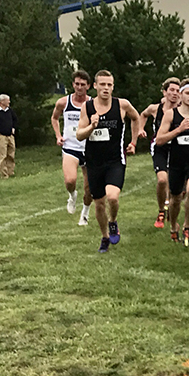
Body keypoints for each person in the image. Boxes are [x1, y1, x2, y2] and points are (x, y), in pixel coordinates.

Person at [75, 70, 142, 253]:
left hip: (115, 160)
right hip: (94, 162)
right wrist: (91, 126)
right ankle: (105, 236)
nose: (106, 88)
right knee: (99, 203)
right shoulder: (87, 107)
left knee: (112, 197)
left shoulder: (122, 105)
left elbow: (136, 118)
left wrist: (133, 141)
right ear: (95, 86)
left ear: (113, 87)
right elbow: (79, 135)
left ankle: (113, 222)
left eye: (109, 85)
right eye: (102, 84)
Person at [155, 79, 189, 246]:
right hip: (176, 162)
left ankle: (187, 226)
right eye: (188, 93)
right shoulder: (171, 114)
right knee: (176, 198)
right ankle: (173, 227)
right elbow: (159, 140)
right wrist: (178, 130)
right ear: (181, 95)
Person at [52, 70, 93, 225]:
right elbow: (54, 118)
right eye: (77, 84)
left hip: (89, 148)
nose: (79, 87)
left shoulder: (92, 104)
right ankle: (72, 195)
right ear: (73, 85)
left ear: (88, 86)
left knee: (90, 189)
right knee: (70, 180)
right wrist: (58, 136)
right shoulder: (63, 102)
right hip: (70, 146)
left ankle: (85, 213)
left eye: (83, 84)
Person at [139, 77, 181, 228]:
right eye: (172, 90)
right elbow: (142, 115)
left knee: (177, 185)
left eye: (177, 91)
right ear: (165, 92)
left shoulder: (183, 110)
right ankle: (161, 210)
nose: (175, 94)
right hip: (160, 147)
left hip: (178, 148)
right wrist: (140, 129)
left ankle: (171, 207)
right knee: (162, 180)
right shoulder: (155, 108)